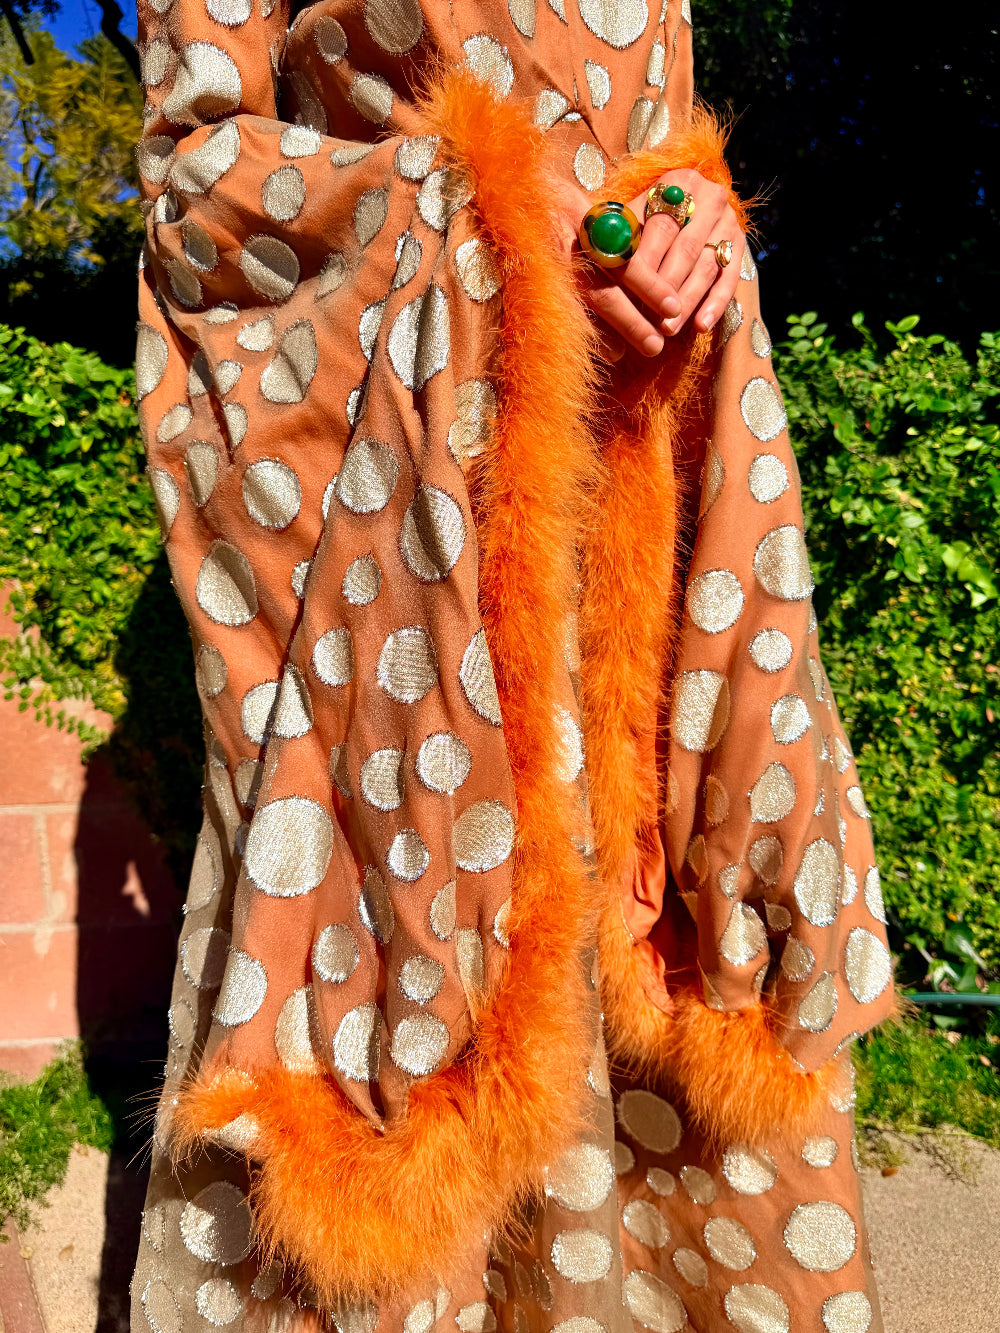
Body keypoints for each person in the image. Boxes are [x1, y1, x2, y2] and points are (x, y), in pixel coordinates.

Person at [131, 2, 895, 1331]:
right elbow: (198, 184)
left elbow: (647, 139)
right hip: (403, 571)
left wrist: (687, 225)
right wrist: (469, 222)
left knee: (664, 1005)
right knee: (409, 1066)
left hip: (636, 545)